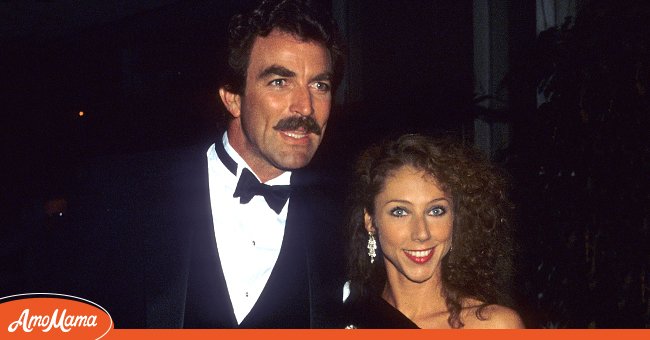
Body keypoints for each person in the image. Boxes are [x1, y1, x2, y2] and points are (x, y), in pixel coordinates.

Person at [20, 0, 346, 329]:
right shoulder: (125, 193)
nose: (305, 107)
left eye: (320, 85)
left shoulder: (342, 219)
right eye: (280, 81)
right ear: (232, 98)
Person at [343, 134, 524, 329]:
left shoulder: (495, 326)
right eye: (400, 211)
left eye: (436, 211)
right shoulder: (348, 314)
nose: (422, 233)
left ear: (455, 218)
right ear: (370, 221)